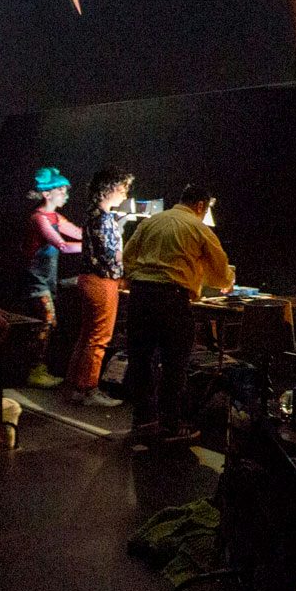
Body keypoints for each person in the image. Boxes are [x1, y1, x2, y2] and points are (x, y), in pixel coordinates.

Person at [120, 184, 232, 442]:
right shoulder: (198, 228)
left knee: (141, 360)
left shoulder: (151, 222)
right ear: (201, 206)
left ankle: (144, 419)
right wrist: (225, 280)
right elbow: (220, 271)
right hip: (172, 299)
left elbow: (128, 256)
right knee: (175, 363)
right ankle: (171, 423)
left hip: (140, 296)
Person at [66, 167, 134, 409]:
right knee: (99, 338)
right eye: (124, 189)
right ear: (112, 188)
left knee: (87, 335)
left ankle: (75, 386)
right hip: (102, 282)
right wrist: (128, 264)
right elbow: (110, 255)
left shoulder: (94, 214)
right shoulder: (104, 218)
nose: (125, 196)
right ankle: (88, 389)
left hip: (88, 279)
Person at [23, 167, 82, 388]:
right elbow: (63, 245)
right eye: (61, 190)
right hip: (35, 281)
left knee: (47, 323)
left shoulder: (55, 216)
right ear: (47, 194)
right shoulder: (39, 218)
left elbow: (78, 233)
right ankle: (34, 370)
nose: (65, 194)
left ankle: (38, 368)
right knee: (46, 323)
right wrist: (94, 246)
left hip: (46, 280)